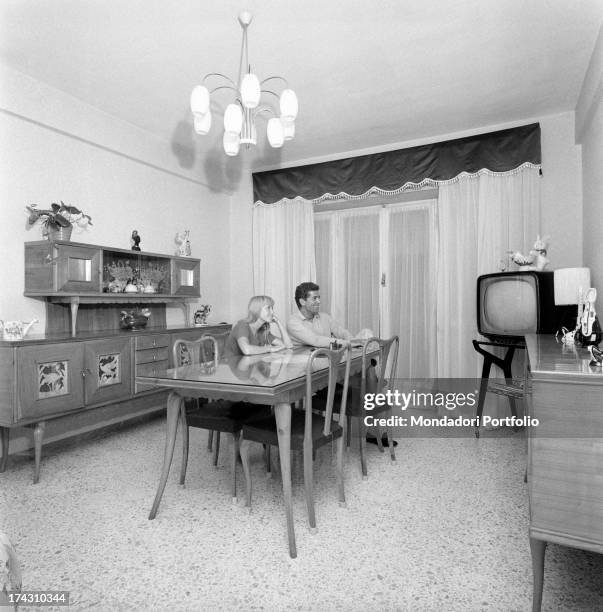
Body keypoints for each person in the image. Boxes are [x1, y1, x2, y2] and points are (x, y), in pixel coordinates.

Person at [286, 282, 352, 348]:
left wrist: (353, 342)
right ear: (302, 302)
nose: (319, 301)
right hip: (306, 358)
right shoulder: (293, 323)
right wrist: (346, 343)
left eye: (319, 298)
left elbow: (342, 333)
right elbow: (315, 340)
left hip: (327, 357)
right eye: (314, 298)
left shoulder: (325, 317)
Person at [224, 295, 293, 356]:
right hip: (227, 367)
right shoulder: (242, 325)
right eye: (268, 308)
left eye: (272, 308)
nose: (272, 312)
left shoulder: (262, 330)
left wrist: (278, 323)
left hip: (246, 366)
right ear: (257, 310)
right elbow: (247, 350)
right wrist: (269, 349)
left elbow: (288, 345)